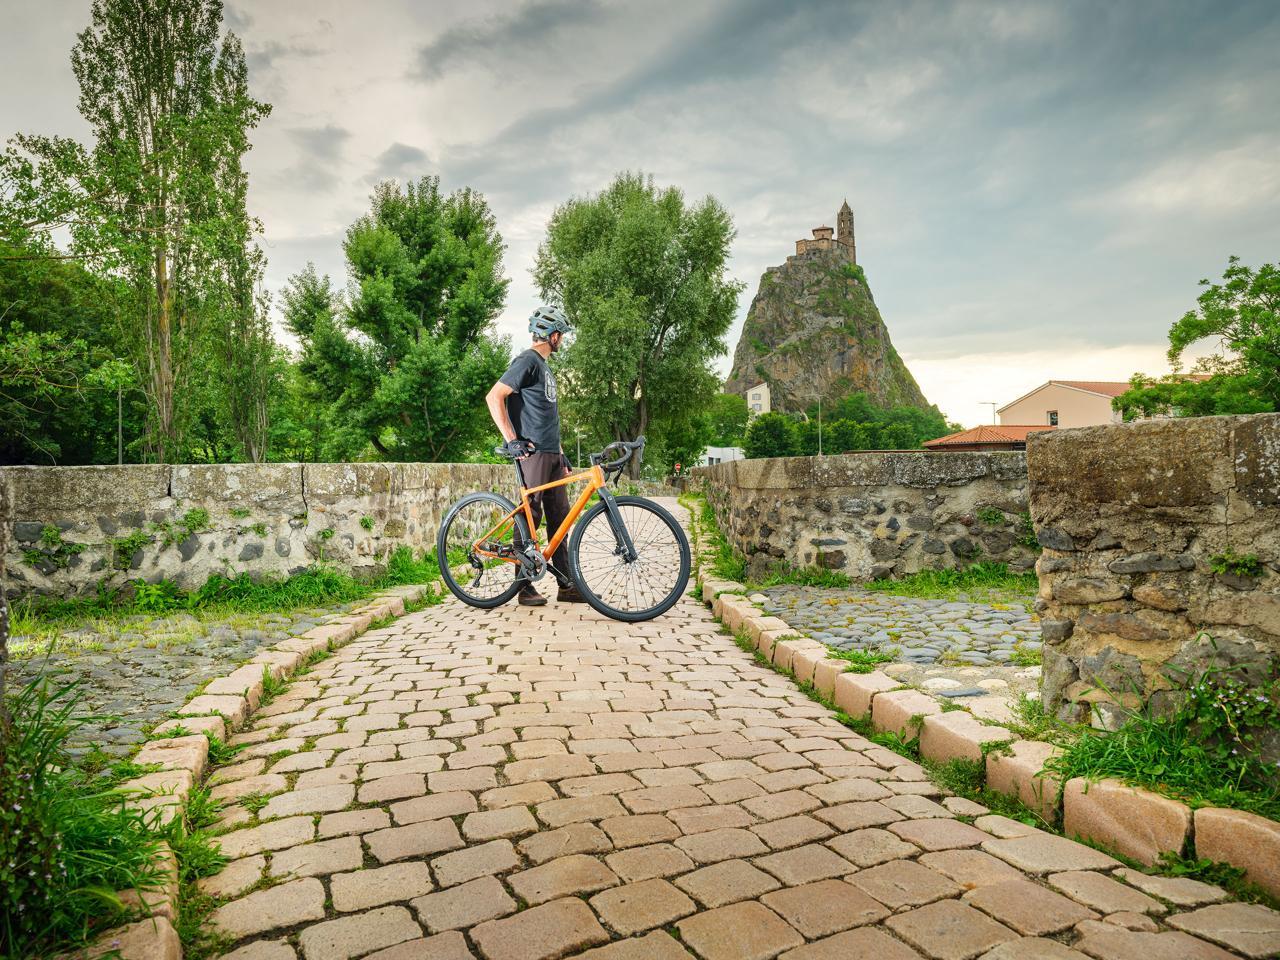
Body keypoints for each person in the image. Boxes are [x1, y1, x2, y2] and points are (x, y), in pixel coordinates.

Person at [485, 306, 587, 606]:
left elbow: (546, 415)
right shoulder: (528, 360)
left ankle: (566, 585)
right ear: (552, 335)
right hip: (533, 452)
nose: (562, 340)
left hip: (551, 453)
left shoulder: (544, 366)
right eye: (561, 335)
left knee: (560, 517)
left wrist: (561, 453)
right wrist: (512, 441)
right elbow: (494, 396)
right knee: (530, 515)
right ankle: (524, 587)